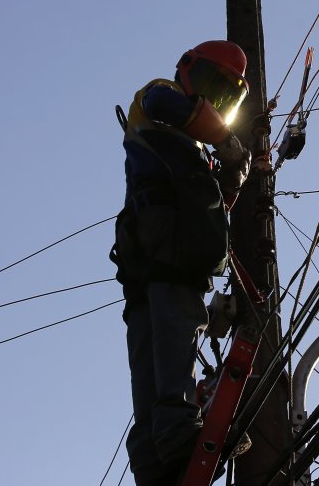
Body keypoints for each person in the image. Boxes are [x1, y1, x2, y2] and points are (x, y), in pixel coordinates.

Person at [111, 40, 253, 486]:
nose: (212, 101)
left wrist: (228, 175)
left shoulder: (191, 152)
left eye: (226, 97)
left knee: (150, 362)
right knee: (173, 341)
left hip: (145, 260)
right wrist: (229, 144)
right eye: (211, 85)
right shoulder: (158, 98)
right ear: (188, 70)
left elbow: (218, 206)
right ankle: (175, 437)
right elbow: (166, 102)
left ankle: (154, 464)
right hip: (169, 252)